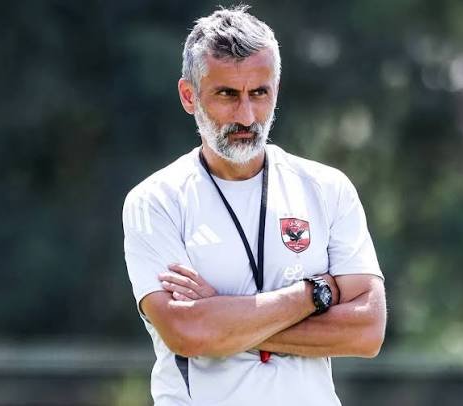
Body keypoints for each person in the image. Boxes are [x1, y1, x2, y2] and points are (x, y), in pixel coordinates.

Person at [123, 5, 386, 405]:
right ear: (189, 96)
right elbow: (188, 333)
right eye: (227, 94)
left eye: (259, 93)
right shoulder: (156, 200)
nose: (246, 115)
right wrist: (314, 295)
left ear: (275, 90)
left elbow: (367, 332)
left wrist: (223, 320)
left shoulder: (328, 188)